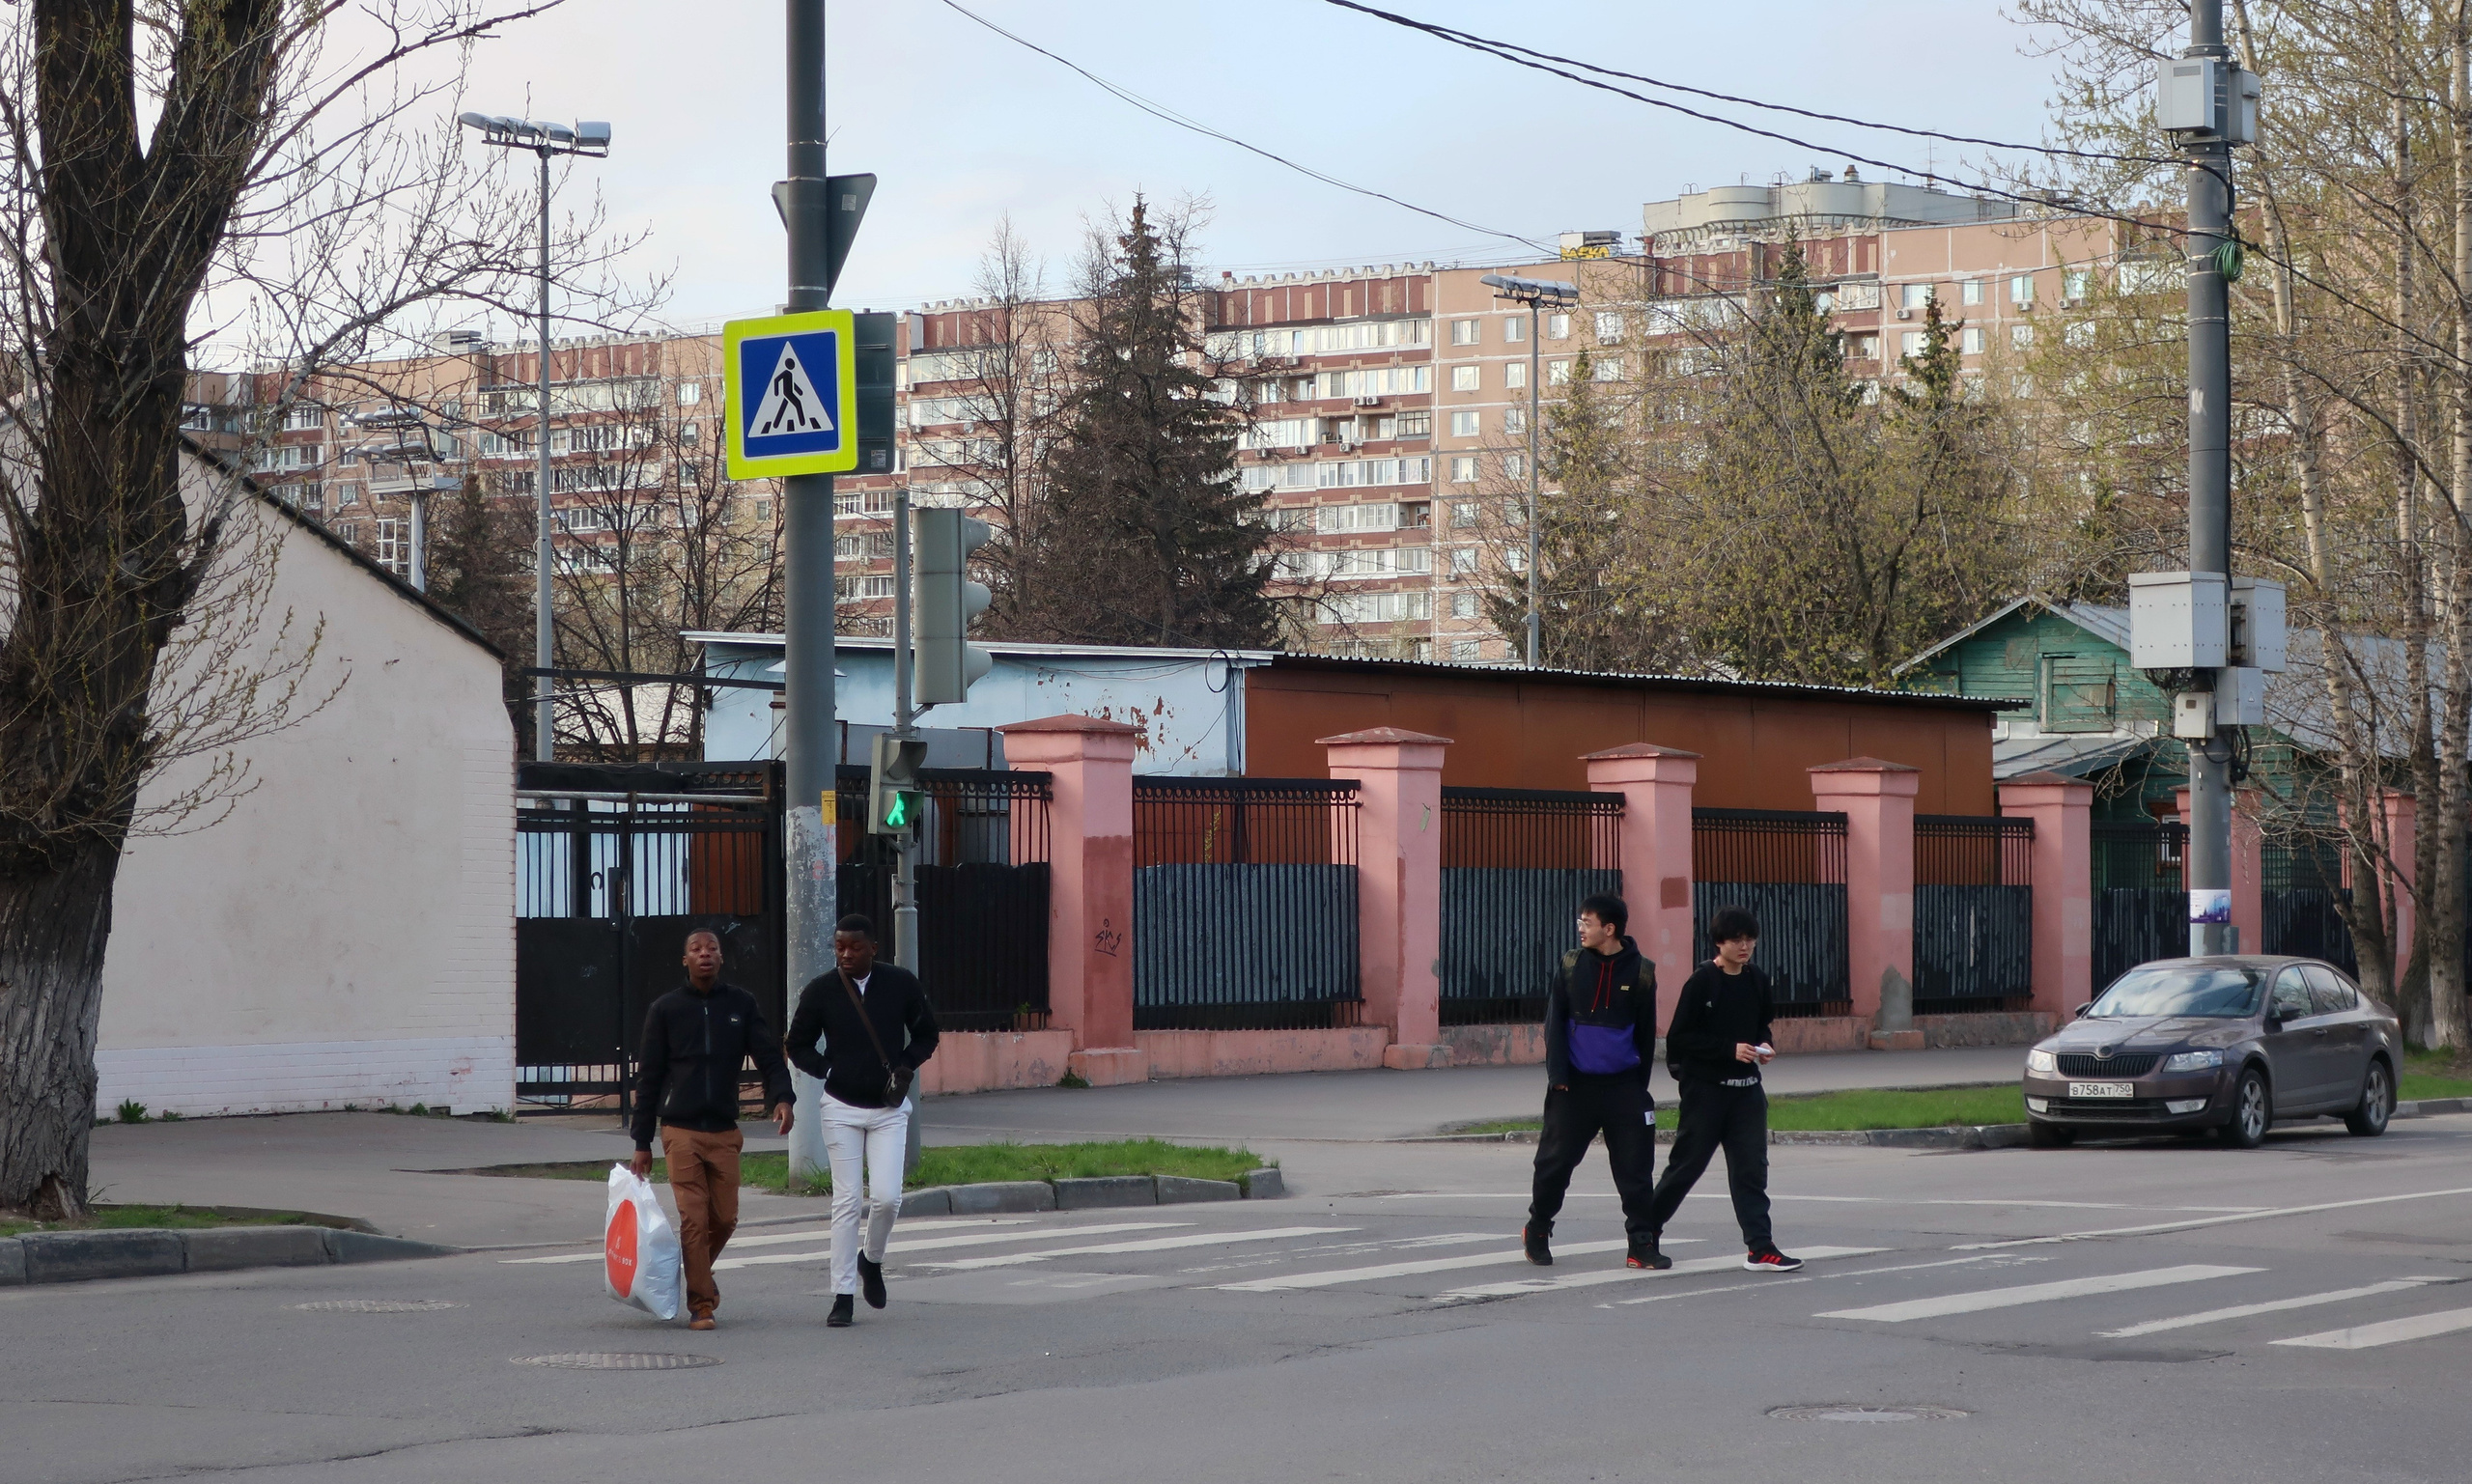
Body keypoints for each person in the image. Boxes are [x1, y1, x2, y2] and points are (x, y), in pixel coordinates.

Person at [630, 929, 794, 1330]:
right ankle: (702, 1304)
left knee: (724, 1218)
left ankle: (695, 1271)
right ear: (684, 960)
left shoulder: (740, 1004)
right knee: (693, 1218)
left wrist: (782, 1097)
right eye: (695, 949)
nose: (705, 954)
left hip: (723, 1130)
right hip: (679, 1130)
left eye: (712, 949)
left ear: (721, 959)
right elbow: (649, 1077)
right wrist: (642, 1141)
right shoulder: (666, 1009)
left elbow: (769, 1057)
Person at [786, 913, 941, 1329]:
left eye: (855, 947)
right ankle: (842, 1295)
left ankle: (870, 1261)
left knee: (888, 1198)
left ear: (873, 947)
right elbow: (796, 1043)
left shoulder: (900, 983)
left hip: (889, 1111)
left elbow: (927, 1033)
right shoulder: (822, 990)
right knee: (847, 1201)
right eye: (839, 947)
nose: (846, 955)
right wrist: (826, 1071)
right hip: (840, 1108)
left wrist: (906, 1064)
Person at [1643, 905, 1801, 1272]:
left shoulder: (1757, 980)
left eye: (1750, 940)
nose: (1745, 947)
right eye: (1736, 940)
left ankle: (1760, 1248)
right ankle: (1644, 1232)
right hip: (1707, 1093)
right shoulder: (1702, 982)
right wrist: (1728, 1050)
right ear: (1719, 943)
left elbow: (1762, 1024)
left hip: (1747, 1092)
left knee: (1751, 1170)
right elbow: (1681, 1037)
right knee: (1686, 1167)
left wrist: (1763, 1046)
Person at [1525, 892, 1667, 1271]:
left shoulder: (1642, 973)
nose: (1580, 928)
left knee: (1636, 1169)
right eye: (1580, 921)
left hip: (1623, 1088)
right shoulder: (1571, 965)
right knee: (1554, 1165)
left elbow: (1645, 1035)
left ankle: (1641, 1244)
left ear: (1610, 928)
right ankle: (1538, 1228)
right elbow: (1554, 1025)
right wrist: (1558, 1078)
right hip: (1574, 1087)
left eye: (1587, 922)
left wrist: (1638, 1086)